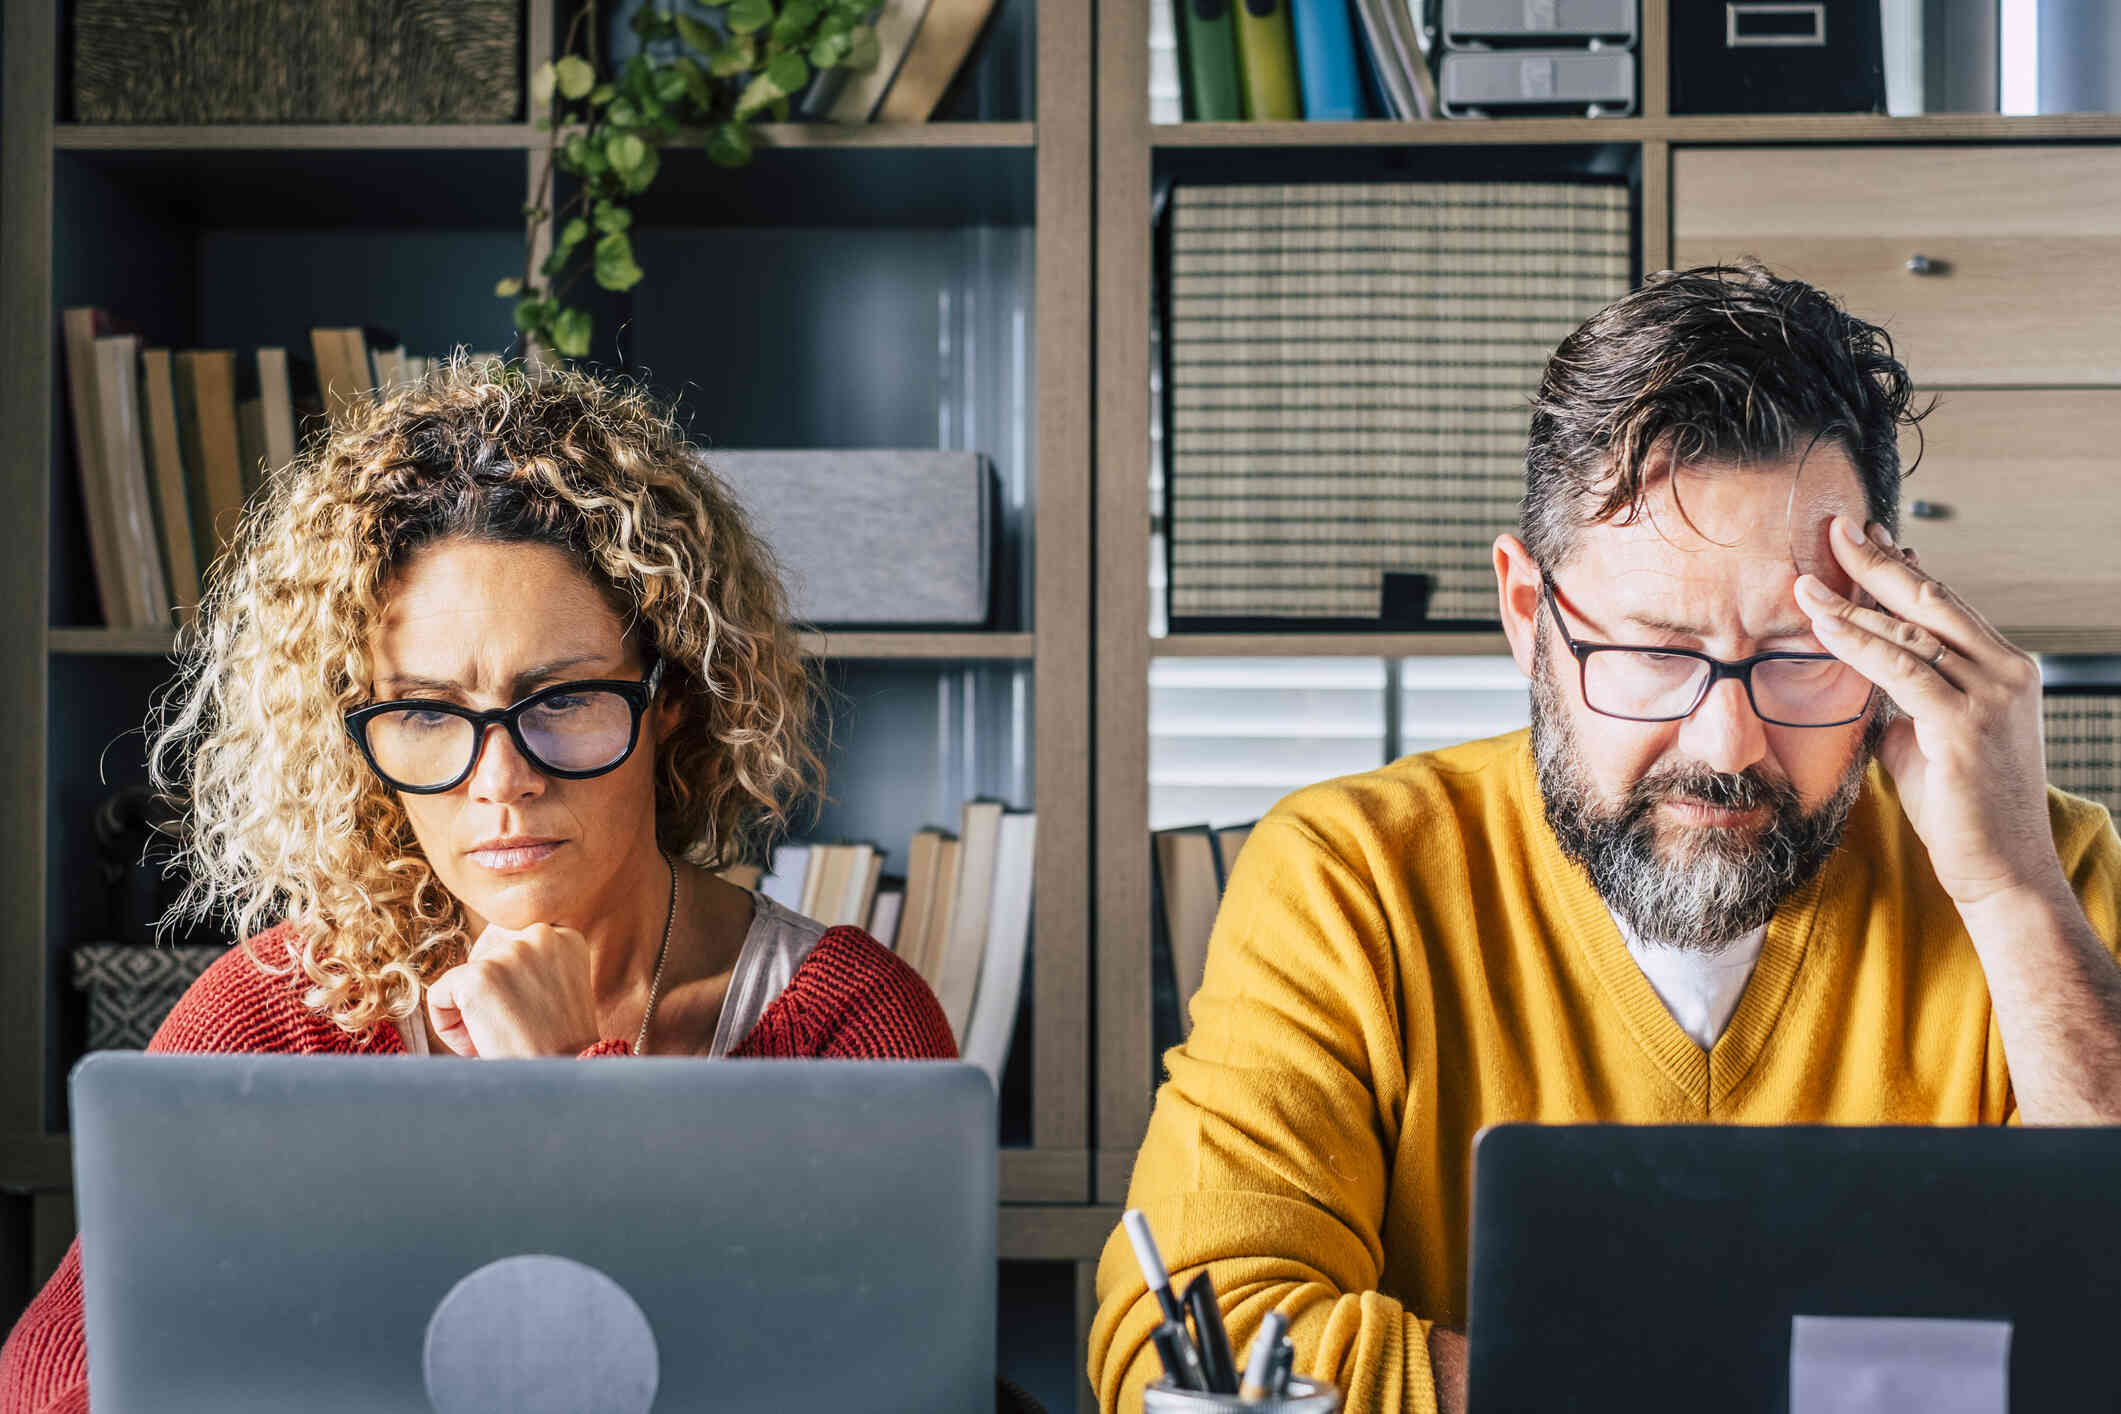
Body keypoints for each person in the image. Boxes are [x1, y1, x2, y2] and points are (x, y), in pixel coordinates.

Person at [1088, 265, 2121, 1414]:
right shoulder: (1351, 874)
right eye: (1655, 652)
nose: (1728, 741)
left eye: (1800, 653)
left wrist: (2013, 894)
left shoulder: (2040, 872)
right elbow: (1192, 1343)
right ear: (1529, 617)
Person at [2, 359, 954, 1414]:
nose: (502, 778)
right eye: (425, 712)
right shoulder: (281, 1014)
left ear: (671, 691)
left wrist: (556, 1093)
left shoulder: (842, 1027)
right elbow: (56, 1386)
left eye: (563, 700)